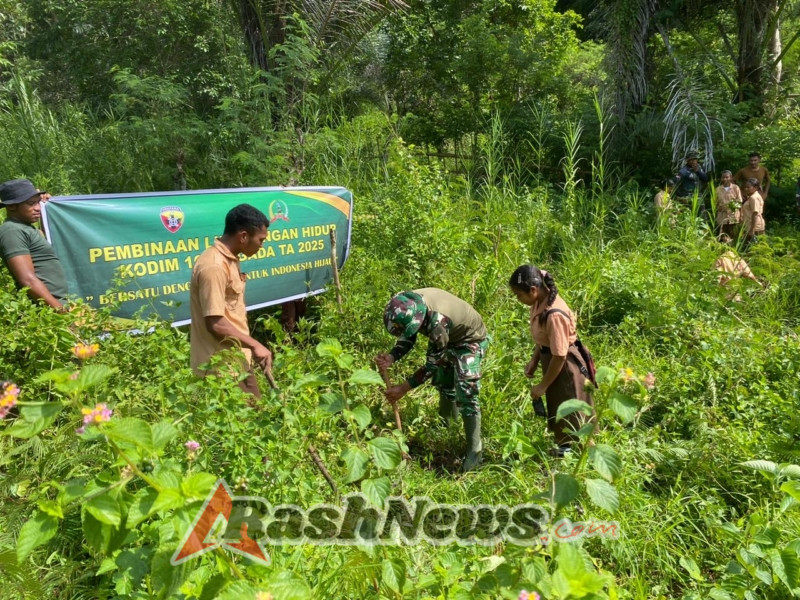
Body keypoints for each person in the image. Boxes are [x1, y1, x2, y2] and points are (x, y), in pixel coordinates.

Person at [375, 288, 488, 471]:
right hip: (447, 334)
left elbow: (431, 365)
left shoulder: (437, 322)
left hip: (470, 338)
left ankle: (474, 452)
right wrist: (392, 356)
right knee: (444, 382)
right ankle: (447, 424)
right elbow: (408, 334)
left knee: (466, 388)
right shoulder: (405, 302)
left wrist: (403, 388)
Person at [509, 265, 594, 457]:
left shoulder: (554, 314)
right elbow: (545, 340)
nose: (518, 299)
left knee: (570, 404)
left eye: (518, 295)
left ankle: (578, 453)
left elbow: (560, 354)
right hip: (552, 360)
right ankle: (565, 446)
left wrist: (542, 386)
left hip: (565, 366)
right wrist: (535, 359)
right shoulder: (540, 302)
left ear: (533, 289)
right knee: (558, 403)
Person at [190, 204, 273, 400]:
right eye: (260, 240)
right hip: (221, 367)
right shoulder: (214, 267)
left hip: (235, 359)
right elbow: (216, 323)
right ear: (243, 236)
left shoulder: (230, 259)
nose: (262, 245)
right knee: (248, 422)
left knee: (256, 416)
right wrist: (255, 345)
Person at [0, 178, 67, 311]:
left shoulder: (27, 228)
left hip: (53, 305)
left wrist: (50, 207)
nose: (37, 208)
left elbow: (48, 238)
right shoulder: (12, 230)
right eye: (31, 204)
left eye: (38, 202)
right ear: (12, 206)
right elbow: (28, 280)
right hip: (46, 309)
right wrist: (60, 311)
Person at [715, 170, 743, 240]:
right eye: (723, 177)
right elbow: (715, 203)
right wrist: (719, 208)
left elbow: (739, 202)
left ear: (730, 177)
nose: (725, 179)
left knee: (733, 234)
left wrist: (741, 215)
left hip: (733, 216)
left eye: (727, 177)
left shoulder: (735, 188)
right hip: (722, 216)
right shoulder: (718, 189)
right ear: (721, 178)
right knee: (722, 235)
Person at [740, 178, 765, 246]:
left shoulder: (753, 198)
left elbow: (755, 214)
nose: (746, 189)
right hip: (751, 225)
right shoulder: (753, 196)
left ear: (755, 187)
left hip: (754, 227)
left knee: (753, 247)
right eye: (745, 187)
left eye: (748, 187)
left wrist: (752, 230)